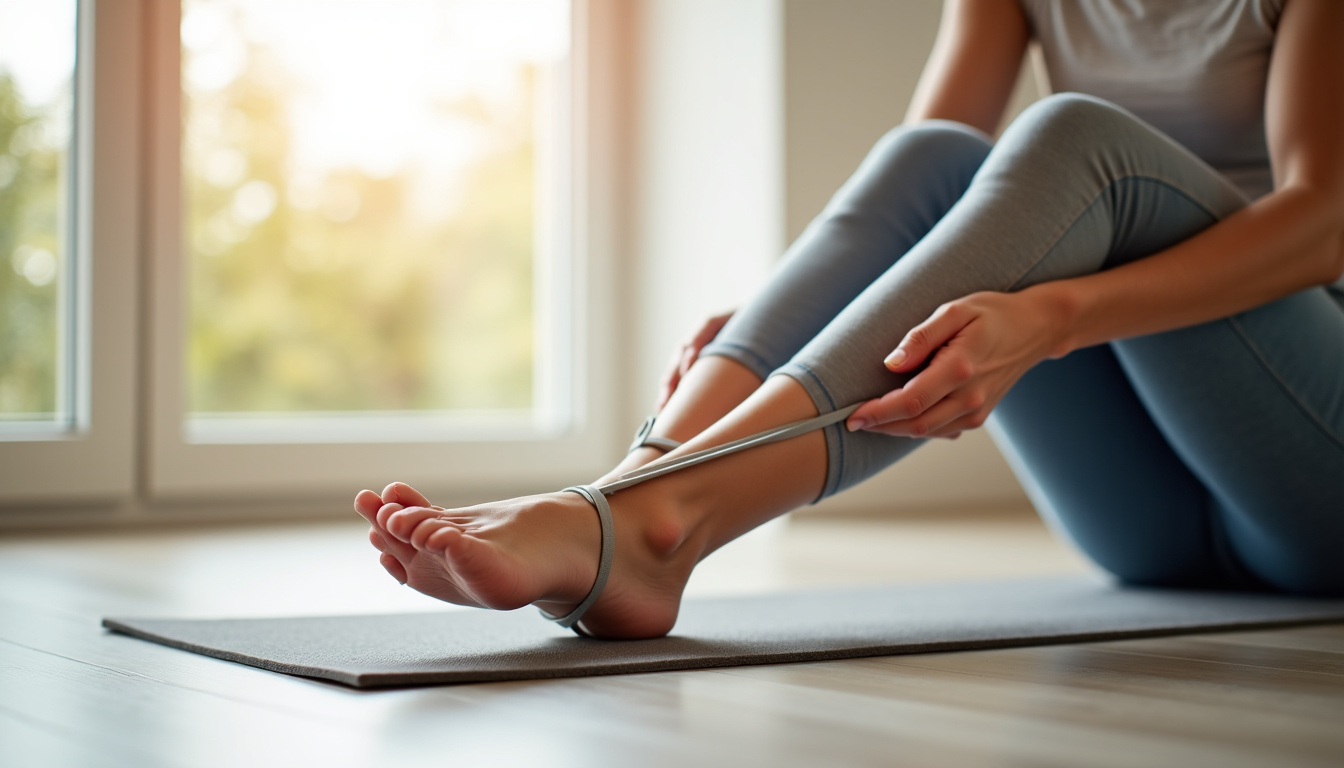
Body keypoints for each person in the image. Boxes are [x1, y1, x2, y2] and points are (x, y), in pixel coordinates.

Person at [354, 0, 1344, 638]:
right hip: (1147, 530)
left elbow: (1325, 219)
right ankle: (628, 495)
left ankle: (659, 525)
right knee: (935, 158)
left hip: (1311, 469)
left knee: (1077, 136)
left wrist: (1055, 316)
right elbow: (925, 193)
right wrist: (785, 309)